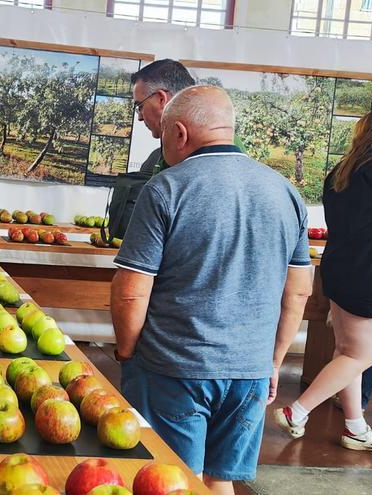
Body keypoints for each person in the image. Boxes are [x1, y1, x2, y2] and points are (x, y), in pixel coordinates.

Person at [111, 86, 313, 495]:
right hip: (250, 370)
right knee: (221, 479)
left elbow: (132, 291)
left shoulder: (166, 188)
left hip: (175, 368)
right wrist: (272, 361)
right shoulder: (286, 192)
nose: (161, 142)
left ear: (180, 133)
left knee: (174, 479)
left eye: (163, 133)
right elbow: (298, 292)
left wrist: (128, 354)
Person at [274, 111, 372, 455]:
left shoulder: (340, 172)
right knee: (363, 354)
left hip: (339, 270)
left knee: (346, 351)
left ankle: (356, 428)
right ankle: (297, 411)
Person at [129, 59, 196, 175]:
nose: (139, 117)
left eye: (140, 106)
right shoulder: (156, 159)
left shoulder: (211, 154)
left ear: (161, 99)